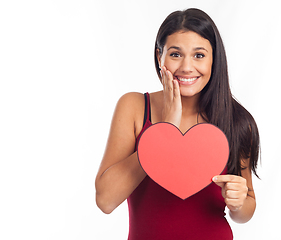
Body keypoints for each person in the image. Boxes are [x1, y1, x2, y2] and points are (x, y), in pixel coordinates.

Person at [95, 8, 260, 240]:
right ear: (159, 56)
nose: (186, 67)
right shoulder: (134, 107)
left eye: (199, 55)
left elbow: (245, 210)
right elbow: (105, 200)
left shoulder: (237, 121)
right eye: (175, 54)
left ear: (214, 59)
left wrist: (239, 202)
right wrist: (163, 132)